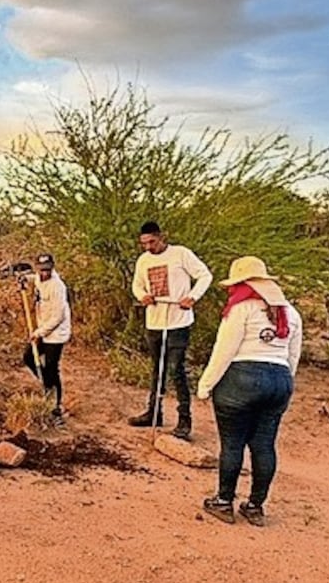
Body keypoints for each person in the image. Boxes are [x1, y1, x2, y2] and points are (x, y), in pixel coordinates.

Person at [197, 256, 303, 527]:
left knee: (232, 443)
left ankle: (223, 501)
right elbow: (293, 356)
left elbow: (224, 351)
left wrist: (206, 385)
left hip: (241, 379)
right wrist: (281, 384)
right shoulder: (290, 312)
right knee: (264, 445)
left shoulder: (241, 308)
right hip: (279, 380)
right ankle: (255, 506)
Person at [128, 221, 212, 439]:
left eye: (152, 242)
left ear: (161, 237)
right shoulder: (143, 260)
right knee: (157, 367)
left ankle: (184, 418)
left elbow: (205, 275)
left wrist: (192, 297)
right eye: (144, 243)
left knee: (176, 368)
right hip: (154, 320)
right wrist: (142, 296)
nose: (148, 247)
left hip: (178, 321)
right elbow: (137, 285)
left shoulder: (180, 254)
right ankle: (154, 412)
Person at [20, 254, 71, 416]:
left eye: (47, 270)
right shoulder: (39, 278)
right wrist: (24, 279)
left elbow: (58, 317)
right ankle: (47, 384)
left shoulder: (58, 287)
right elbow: (34, 279)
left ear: (52, 267)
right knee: (28, 357)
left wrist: (39, 333)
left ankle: (56, 404)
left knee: (51, 367)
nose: (44, 273)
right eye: (41, 270)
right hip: (43, 328)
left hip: (56, 333)